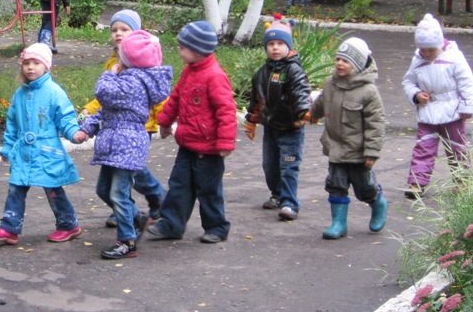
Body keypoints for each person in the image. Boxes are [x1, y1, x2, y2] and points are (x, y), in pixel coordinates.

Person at [79, 29, 172, 260]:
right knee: (104, 190)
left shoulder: (134, 81)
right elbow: (107, 110)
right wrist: (87, 128)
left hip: (127, 145)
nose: (117, 59)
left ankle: (127, 242)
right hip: (115, 144)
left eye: (121, 55)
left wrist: (110, 73)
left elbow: (103, 92)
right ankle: (136, 218)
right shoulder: (128, 79)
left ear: (129, 59)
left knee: (119, 194)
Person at [0, 43, 87, 245]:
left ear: (46, 66)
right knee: (16, 187)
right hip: (23, 151)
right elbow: (12, 123)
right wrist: (7, 147)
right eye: (26, 63)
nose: (30, 67)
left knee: (53, 189)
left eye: (36, 63)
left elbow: (65, 117)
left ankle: (68, 225)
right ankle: (9, 228)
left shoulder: (54, 92)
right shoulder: (19, 95)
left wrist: (74, 133)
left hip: (47, 151)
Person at [147, 21, 236, 245]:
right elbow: (176, 97)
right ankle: (172, 224)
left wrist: (226, 142)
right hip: (187, 144)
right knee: (179, 186)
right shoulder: (189, 71)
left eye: (182, 47)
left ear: (197, 50)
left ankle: (216, 227)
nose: (178, 50)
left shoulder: (214, 76)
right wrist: (165, 121)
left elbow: (226, 110)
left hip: (210, 148)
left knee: (209, 190)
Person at [309, 37, 389, 240]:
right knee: (336, 185)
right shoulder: (330, 83)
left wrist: (372, 151)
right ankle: (338, 223)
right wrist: (310, 114)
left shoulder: (368, 91)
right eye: (337, 59)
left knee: (365, 189)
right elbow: (321, 103)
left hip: (358, 151)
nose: (339, 63)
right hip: (335, 147)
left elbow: (375, 123)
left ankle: (378, 203)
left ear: (358, 65)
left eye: (346, 61)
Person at [401, 14, 473, 199]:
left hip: (452, 111)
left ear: (440, 44)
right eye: (423, 49)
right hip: (427, 111)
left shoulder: (454, 57)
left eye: (430, 50)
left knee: (457, 148)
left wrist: (467, 107)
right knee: (424, 147)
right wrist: (416, 95)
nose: (426, 54)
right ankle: (417, 183)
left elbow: (466, 82)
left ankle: (462, 181)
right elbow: (408, 82)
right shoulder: (417, 60)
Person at [245, 15, 312, 221]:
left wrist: (304, 111)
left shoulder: (294, 70)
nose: (275, 48)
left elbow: (301, 92)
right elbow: (256, 99)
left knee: (289, 165)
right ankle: (277, 194)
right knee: (270, 165)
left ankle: (290, 203)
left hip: (291, 127)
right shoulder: (261, 74)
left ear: (288, 46)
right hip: (271, 128)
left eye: (280, 43)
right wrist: (251, 120)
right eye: (271, 44)